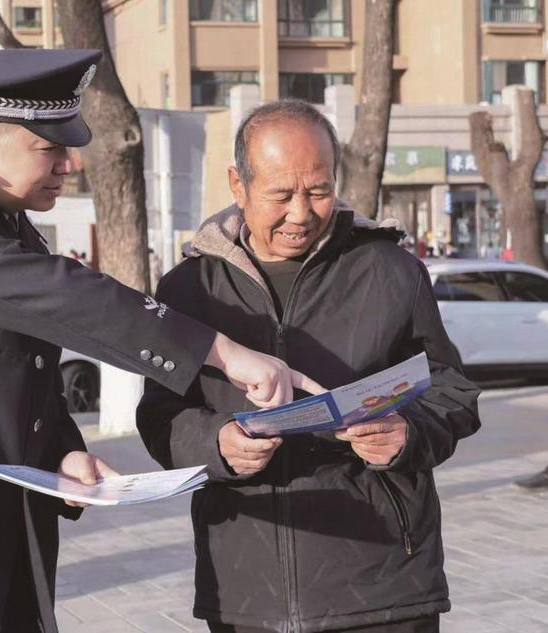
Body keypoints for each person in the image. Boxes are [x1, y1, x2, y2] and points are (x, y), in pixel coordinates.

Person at [0, 49, 322, 633]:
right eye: (49, 148)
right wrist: (222, 352)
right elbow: (58, 294)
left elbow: (18, 367)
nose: (69, 164)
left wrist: (61, 450)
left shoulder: (9, 227)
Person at [136, 100, 481, 633]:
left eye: (319, 191)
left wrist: (407, 434)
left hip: (384, 584)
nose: (301, 213)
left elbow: (452, 391)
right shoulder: (190, 289)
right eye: (281, 195)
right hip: (247, 588)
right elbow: (159, 414)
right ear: (238, 184)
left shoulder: (391, 271)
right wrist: (216, 444)